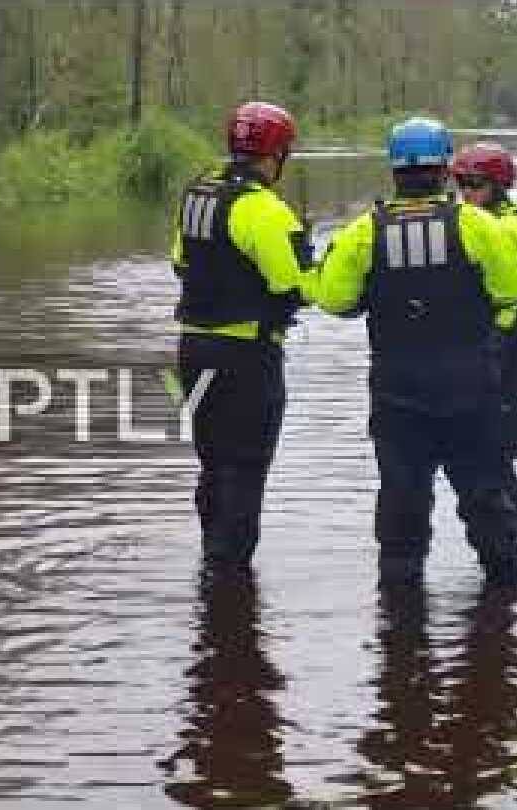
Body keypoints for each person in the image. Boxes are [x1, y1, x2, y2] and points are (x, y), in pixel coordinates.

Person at [301, 117, 517, 587]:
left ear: (394, 171)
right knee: (485, 494)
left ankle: (400, 628)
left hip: (397, 391)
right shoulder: (478, 225)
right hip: (469, 386)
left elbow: (332, 299)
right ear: (445, 168)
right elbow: (514, 289)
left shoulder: (363, 232)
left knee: (402, 501)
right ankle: (505, 617)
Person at [171, 101, 308, 567]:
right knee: (246, 471)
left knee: (212, 464)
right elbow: (291, 286)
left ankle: (212, 574)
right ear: (276, 154)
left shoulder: (196, 197)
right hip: (247, 358)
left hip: (191, 352)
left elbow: (180, 262)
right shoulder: (264, 210)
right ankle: (231, 582)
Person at [450, 143, 517, 516]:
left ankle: (513, 535)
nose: (466, 194)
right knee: (484, 450)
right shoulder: (471, 222)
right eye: (461, 185)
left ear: (498, 185)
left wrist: (490, 340)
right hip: (481, 352)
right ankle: (510, 544)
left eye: (474, 185)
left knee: (499, 448)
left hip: (509, 353)